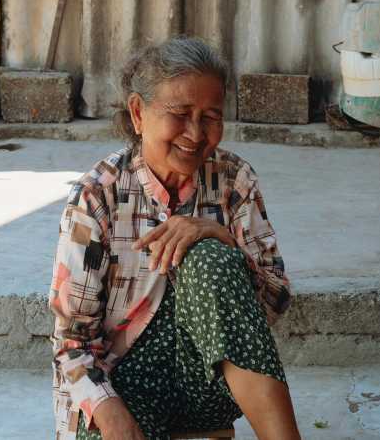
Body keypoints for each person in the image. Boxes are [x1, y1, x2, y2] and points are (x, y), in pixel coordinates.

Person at [49, 37, 301, 440]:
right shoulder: (97, 196)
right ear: (138, 113)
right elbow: (72, 340)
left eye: (211, 117)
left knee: (210, 257)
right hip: (123, 383)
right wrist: (110, 414)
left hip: (207, 383)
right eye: (180, 114)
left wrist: (222, 239)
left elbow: (276, 298)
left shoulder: (233, 180)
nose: (195, 133)